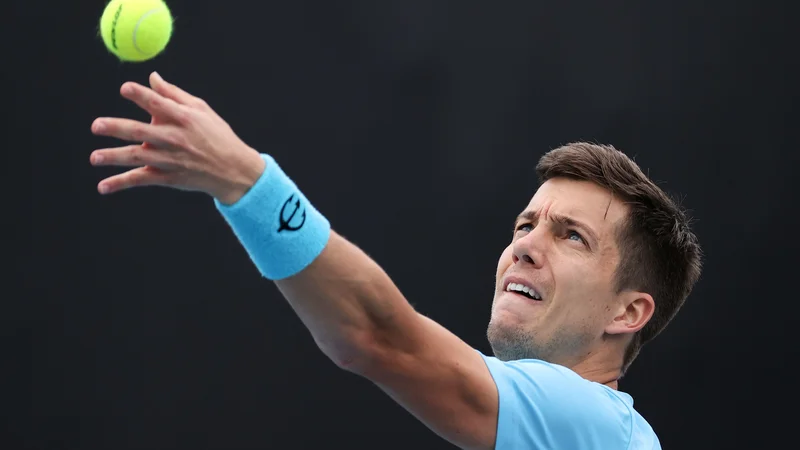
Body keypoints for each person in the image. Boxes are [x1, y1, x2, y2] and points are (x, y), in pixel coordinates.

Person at [90, 72, 702, 449]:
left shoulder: (592, 426)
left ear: (629, 311)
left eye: (572, 237)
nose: (525, 245)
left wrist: (247, 182)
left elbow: (376, 336)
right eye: (525, 223)